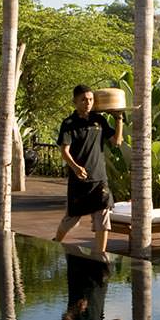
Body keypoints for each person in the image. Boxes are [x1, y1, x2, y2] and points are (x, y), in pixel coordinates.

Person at [53, 84, 124, 259]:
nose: (88, 103)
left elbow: (117, 142)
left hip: (99, 179)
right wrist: (76, 168)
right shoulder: (69, 124)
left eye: (91, 99)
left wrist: (118, 119)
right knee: (72, 219)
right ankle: (55, 243)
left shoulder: (99, 120)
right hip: (79, 180)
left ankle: (100, 256)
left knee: (102, 218)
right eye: (84, 99)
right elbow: (64, 151)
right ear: (75, 101)